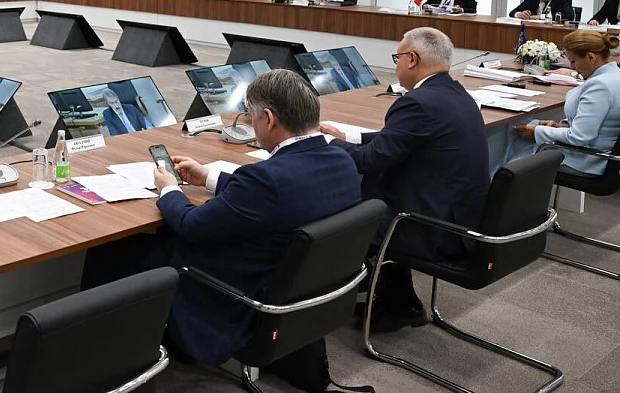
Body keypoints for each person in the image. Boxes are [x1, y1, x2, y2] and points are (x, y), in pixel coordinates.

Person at [82, 70, 363, 391]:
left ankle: (106, 366)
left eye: (251, 116)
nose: (251, 123)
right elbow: (282, 195)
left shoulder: (265, 180)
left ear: (269, 119)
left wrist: (168, 188)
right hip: (300, 294)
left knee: (110, 252)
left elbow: (191, 224)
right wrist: (209, 177)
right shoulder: (341, 161)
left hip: (234, 294)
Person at [318, 27, 488, 333]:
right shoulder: (455, 93)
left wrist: (325, 143)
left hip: (430, 228)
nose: (396, 65)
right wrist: (348, 136)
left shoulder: (418, 102)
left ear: (412, 59)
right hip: (461, 219)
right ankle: (395, 297)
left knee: (342, 215)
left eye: (397, 58)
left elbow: (370, 161)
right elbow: (400, 138)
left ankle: (332, 296)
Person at [508, 30, 620, 176]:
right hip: (598, 156)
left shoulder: (599, 86)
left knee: (512, 152)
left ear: (591, 57)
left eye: (573, 61)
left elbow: (579, 137)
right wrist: (563, 126)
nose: (572, 67)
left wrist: (537, 132)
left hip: (587, 160)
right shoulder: (614, 75)